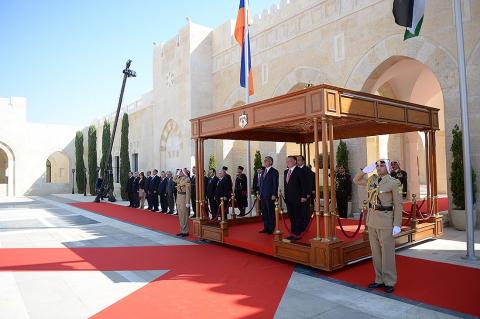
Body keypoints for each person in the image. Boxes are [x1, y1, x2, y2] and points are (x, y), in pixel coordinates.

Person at [353, 159, 402, 293]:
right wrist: (364, 171)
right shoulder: (372, 181)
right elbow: (356, 180)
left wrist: (397, 224)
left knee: (387, 252)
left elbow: (398, 204)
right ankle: (379, 279)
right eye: (377, 166)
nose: (379, 168)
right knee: (375, 252)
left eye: (381, 166)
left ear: (387, 168)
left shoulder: (393, 182)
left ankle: (389, 281)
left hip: (386, 220)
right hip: (372, 220)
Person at [284, 156, 307, 240]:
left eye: (290, 160)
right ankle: (293, 233)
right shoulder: (286, 171)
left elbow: (304, 184)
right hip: (288, 198)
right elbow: (286, 185)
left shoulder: (299, 171)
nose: (288, 162)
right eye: (287, 161)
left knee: (297, 216)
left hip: (297, 198)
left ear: (295, 162)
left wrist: (304, 196)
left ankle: (297, 234)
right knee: (291, 216)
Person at [259, 156, 279, 234]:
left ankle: (271, 228)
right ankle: (266, 227)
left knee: (270, 212)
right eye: (264, 160)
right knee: (264, 212)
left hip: (270, 195)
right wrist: (260, 193)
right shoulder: (263, 171)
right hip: (263, 195)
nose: (264, 162)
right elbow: (261, 184)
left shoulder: (274, 171)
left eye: (266, 160)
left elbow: (275, 184)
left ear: (270, 162)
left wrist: (274, 194)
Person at [296, 155, 313, 232]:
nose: (297, 161)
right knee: (299, 211)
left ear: (303, 161)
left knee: (305, 211)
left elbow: (309, 182)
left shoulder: (306, 169)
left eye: (299, 160)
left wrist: (308, 193)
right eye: (297, 160)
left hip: (305, 194)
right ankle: (300, 225)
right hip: (298, 194)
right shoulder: (296, 169)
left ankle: (305, 226)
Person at [173, 168, 191, 237]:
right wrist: (176, 174)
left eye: (180, 172)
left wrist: (187, 202)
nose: (179, 173)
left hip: (184, 197)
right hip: (179, 197)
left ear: (183, 173)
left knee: (184, 215)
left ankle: (185, 231)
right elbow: (174, 180)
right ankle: (182, 230)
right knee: (180, 215)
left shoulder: (187, 179)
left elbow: (188, 191)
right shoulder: (180, 178)